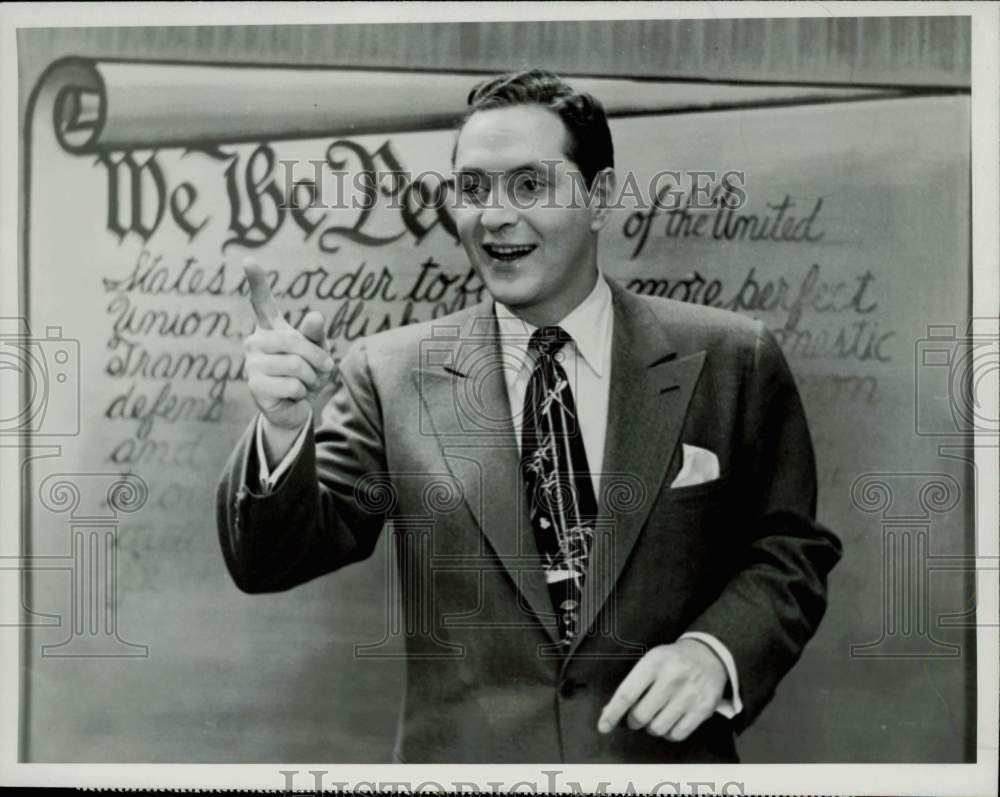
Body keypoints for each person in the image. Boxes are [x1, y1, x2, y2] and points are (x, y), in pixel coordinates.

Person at [216, 69, 842, 764]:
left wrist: (713, 651)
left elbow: (791, 550)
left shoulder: (733, 358)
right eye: (473, 188)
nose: (495, 215)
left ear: (599, 198)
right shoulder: (390, 374)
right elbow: (269, 559)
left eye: (530, 185)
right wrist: (279, 427)